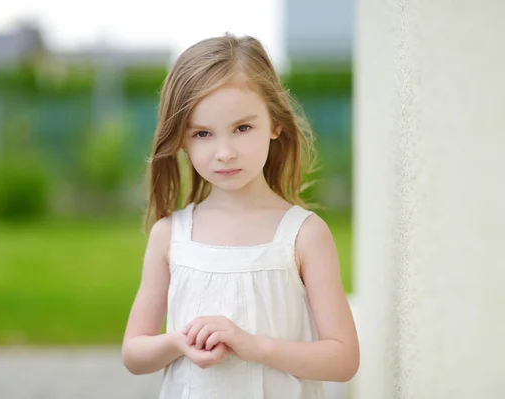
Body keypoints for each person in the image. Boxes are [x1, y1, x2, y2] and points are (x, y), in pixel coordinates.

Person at [121, 33, 359, 399]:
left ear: (275, 123)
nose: (225, 152)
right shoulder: (170, 236)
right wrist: (179, 343)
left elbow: (343, 359)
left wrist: (252, 346)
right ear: (182, 140)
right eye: (202, 133)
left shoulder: (303, 235)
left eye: (242, 128)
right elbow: (134, 353)